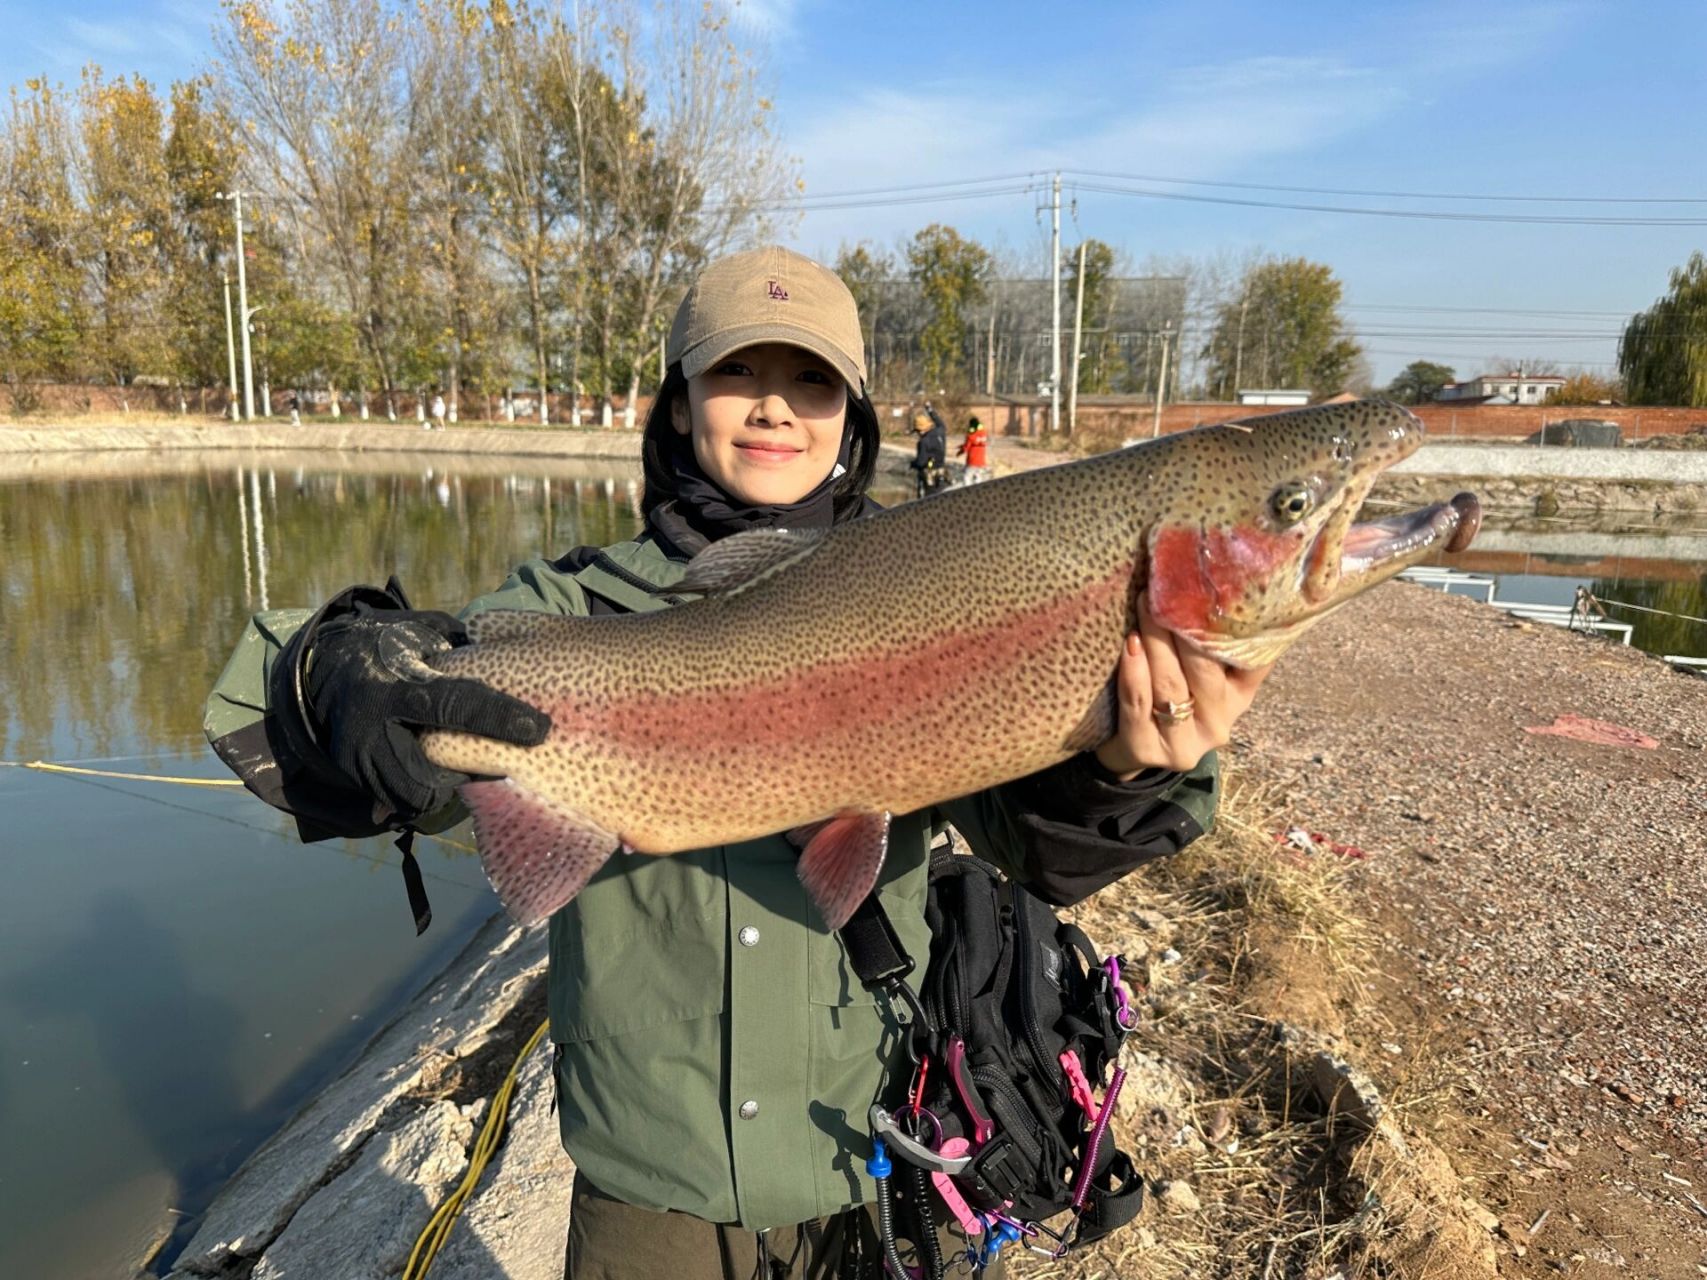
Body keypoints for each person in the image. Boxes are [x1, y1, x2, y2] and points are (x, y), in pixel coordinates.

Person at [203, 245, 1271, 1279]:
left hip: (879, 1151)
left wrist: (1129, 767)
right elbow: (256, 702)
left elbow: (1049, 853)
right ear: (678, 403)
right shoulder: (573, 611)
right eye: (737, 373)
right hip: (647, 1189)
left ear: (850, 420)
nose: (773, 406)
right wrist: (338, 678)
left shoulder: (956, 585)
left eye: (812, 382)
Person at [909, 405, 946, 498]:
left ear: (920, 430)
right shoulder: (940, 432)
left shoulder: (923, 442)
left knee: (927, 500)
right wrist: (930, 410)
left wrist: (913, 464)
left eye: (917, 431)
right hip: (941, 472)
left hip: (929, 476)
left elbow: (921, 462)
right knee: (939, 496)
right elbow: (940, 423)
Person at [956, 415, 989, 485]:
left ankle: (967, 491)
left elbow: (966, 448)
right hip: (981, 461)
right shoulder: (983, 434)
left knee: (967, 477)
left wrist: (960, 452)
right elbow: (975, 444)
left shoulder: (971, 436)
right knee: (978, 477)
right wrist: (961, 446)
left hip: (972, 461)